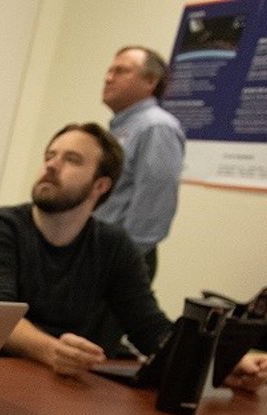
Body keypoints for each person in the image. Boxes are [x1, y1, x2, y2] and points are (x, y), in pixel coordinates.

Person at [0, 122, 267, 392]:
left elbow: (150, 329)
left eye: (71, 159)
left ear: (100, 185)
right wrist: (52, 351)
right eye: (50, 156)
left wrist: (217, 364)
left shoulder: (113, 245)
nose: (50, 165)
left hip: (60, 389)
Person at [93, 46, 184, 282]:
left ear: (150, 81)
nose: (108, 77)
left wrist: (117, 262)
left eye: (121, 71)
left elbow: (154, 208)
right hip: (99, 253)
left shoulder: (156, 127)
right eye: (109, 70)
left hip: (119, 262)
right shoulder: (121, 129)